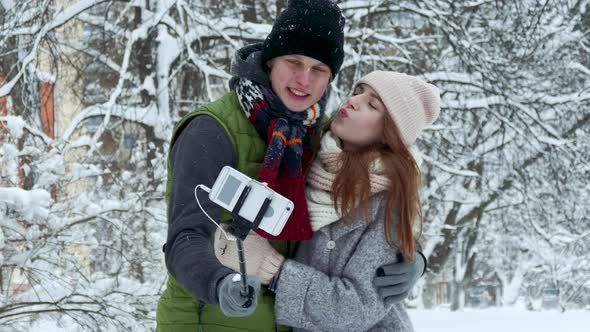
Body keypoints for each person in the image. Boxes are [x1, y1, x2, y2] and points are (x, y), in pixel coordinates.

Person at [156, 0, 426, 330]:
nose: (304, 79)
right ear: (271, 60)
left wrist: (411, 259)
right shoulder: (212, 130)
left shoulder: (320, 138)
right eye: (294, 62)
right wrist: (218, 283)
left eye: (319, 70)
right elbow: (186, 236)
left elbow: (370, 197)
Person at [215, 70, 440, 331]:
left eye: (372, 104)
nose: (353, 101)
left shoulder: (388, 202)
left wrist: (272, 270)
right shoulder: (308, 156)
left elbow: (356, 308)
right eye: (357, 92)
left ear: (390, 133)